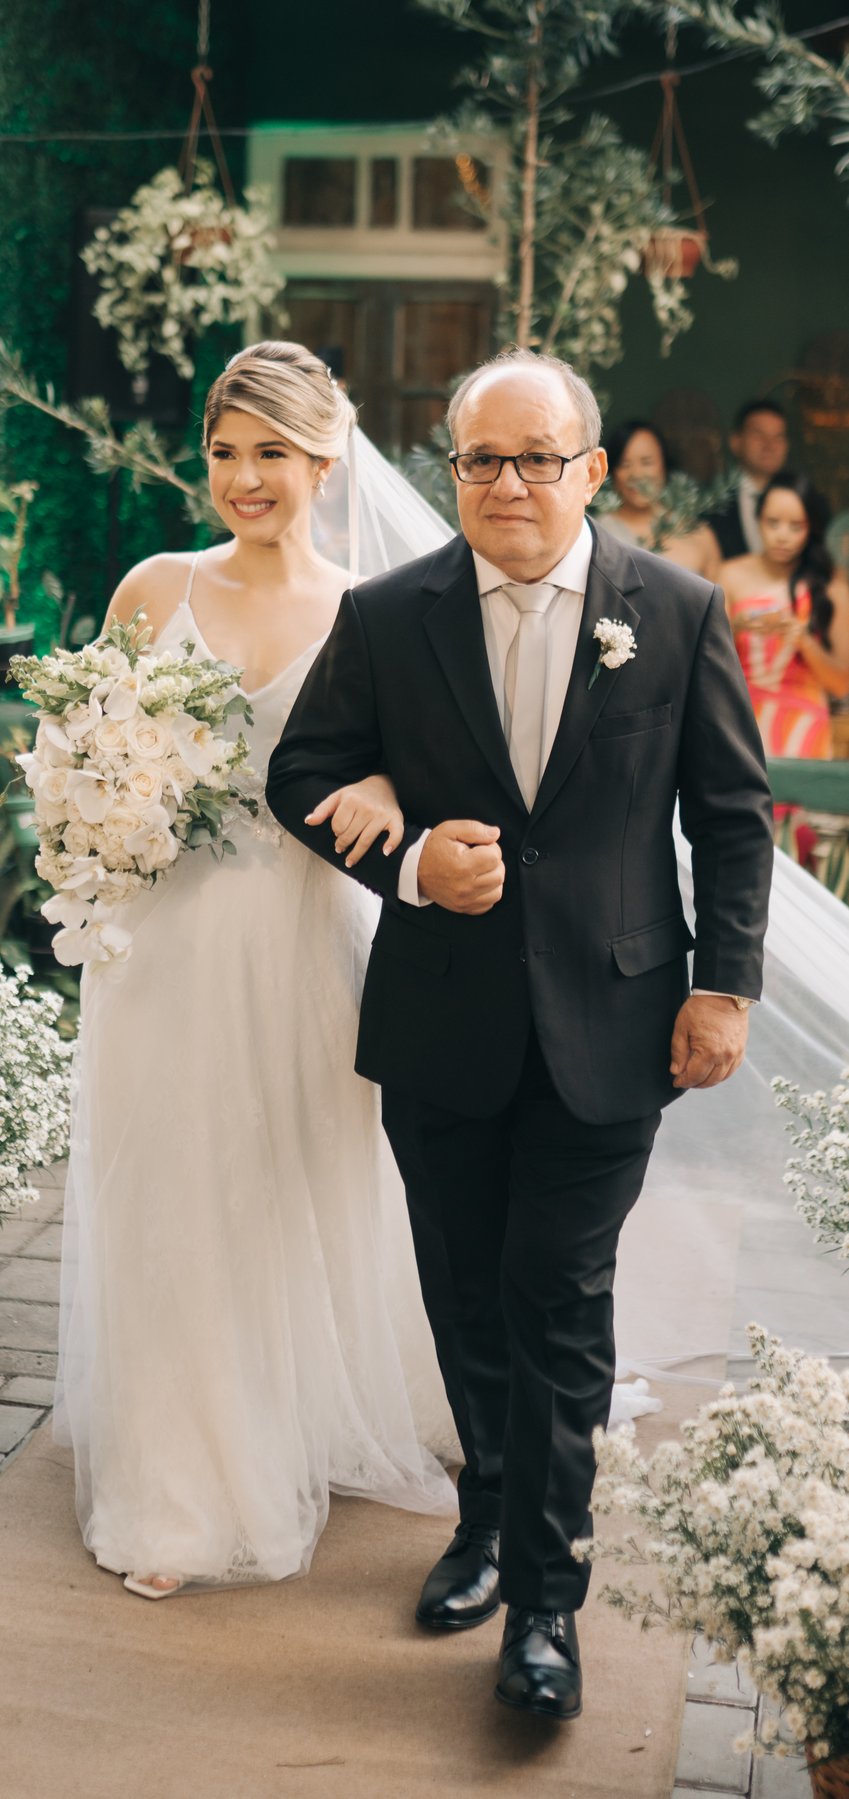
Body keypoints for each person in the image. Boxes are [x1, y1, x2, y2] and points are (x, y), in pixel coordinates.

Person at [267, 348, 774, 1722]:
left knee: (557, 1295)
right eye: (481, 459)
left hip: (614, 1028)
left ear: (591, 469)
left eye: (535, 458)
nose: (507, 483)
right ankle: (483, 1513)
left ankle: (547, 1604)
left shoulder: (673, 611)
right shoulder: (387, 614)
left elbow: (732, 815)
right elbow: (298, 770)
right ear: (453, 472)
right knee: (466, 1293)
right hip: (441, 1023)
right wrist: (415, 856)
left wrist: (724, 983)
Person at [51, 341, 459, 1601]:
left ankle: (291, 1415)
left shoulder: (371, 610)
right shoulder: (150, 588)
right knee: (172, 1192)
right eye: (225, 451)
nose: (243, 476)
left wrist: (388, 783)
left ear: (326, 461)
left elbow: (415, 767)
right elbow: (77, 752)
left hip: (297, 944)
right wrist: (90, 806)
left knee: (281, 1186)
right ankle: (181, 1484)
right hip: (160, 950)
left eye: (271, 451)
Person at [723, 472, 849, 759]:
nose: (782, 535)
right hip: (742, 724)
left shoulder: (831, 589)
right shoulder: (731, 574)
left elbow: (841, 683)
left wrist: (804, 641)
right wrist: (734, 628)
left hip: (805, 728)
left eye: (796, 526)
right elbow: (707, 662)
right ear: (758, 521)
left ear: (812, 529)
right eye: (773, 523)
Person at [600, 419, 721, 579]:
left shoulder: (701, 536)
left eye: (646, 462)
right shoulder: (597, 533)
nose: (636, 475)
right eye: (624, 464)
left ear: (665, 465)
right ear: (611, 472)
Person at [704, 399, 790, 560]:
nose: (770, 445)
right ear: (735, 442)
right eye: (759, 435)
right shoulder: (712, 504)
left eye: (778, 437)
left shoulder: (802, 500)